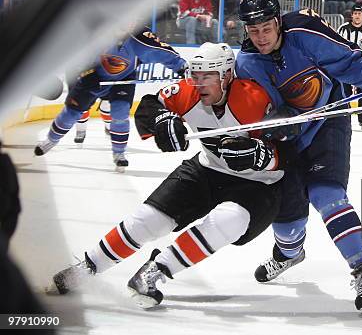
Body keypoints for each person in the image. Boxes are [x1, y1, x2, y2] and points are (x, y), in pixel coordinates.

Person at [46, 43, 293, 309]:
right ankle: (88, 266)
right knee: (149, 219)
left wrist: (264, 156)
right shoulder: (188, 92)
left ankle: (156, 271)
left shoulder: (255, 99)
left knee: (228, 220)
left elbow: (289, 144)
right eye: (194, 75)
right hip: (207, 169)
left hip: (257, 184)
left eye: (207, 76)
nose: (198, 83)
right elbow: (150, 105)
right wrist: (161, 119)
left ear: (227, 75)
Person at [235, 0, 362, 318]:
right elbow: (259, 110)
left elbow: (351, 65)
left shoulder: (303, 32)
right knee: (287, 215)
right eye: (253, 31)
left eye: (266, 28)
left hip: (329, 119)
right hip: (288, 140)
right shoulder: (247, 63)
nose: (260, 37)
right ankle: (288, 254)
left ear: (278, 22)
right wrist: (273, 125)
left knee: (327, 194)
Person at [34, 27, 187, 171]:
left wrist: (181, 67)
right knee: (72, 113)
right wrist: (85, 73)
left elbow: (162, 51)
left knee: (120, 113)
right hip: (92, 77)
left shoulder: (141, 37)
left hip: (123, 80)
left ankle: (119, 153)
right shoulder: (96, 32)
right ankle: (51, 140)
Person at [337, 3, 362, 131]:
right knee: (344, 93)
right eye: (355, 13)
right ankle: (342, 118)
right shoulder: (343, 29)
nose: (357, 16)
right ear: (352, 15)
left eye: (359, 14)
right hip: (345, 66)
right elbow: (336, 45)